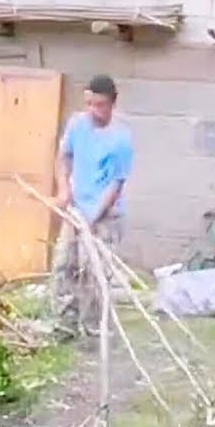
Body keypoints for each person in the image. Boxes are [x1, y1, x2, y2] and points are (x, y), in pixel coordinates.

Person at [51, 75, 134, 338]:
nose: (93, 110)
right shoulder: (77, 125)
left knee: (95, 273)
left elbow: (115, 186)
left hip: (105, 216)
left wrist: (92, 218)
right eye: (89, 103)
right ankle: (64, 324)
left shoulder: (121, 139)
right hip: (75, 209)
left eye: (99, 105)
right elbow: (63, 157)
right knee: (64, 264)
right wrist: (64, 190)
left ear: (112, 104)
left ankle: (94, 328)